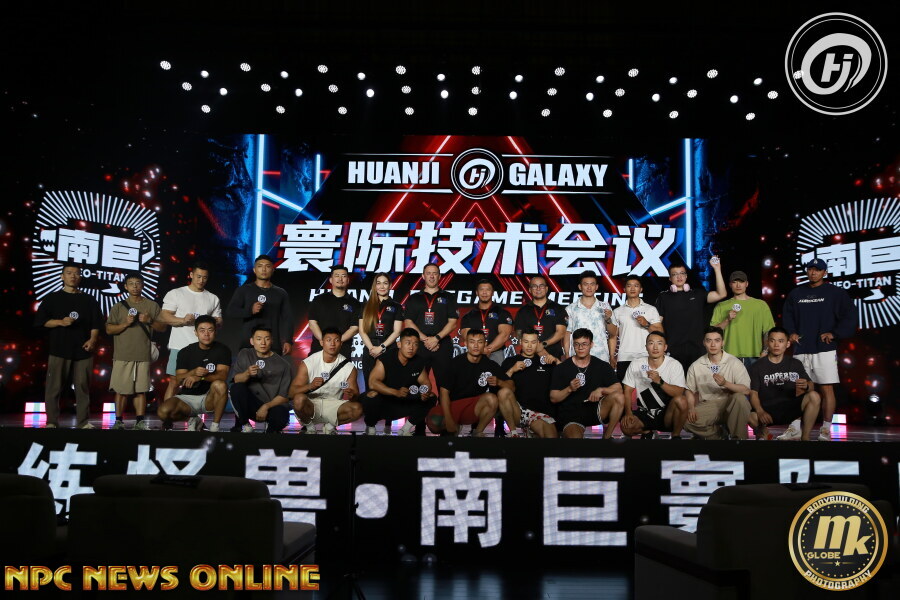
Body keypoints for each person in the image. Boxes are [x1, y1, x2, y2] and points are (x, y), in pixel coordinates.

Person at [783, 258, 857, 441]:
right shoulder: (796, 293)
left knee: (826, 388)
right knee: (798, 388)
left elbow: (850, 316)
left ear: (825, 272)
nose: (813, 272)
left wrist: (835, 333)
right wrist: (791, 332)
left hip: (824, 349)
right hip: (801, 348)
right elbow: (787, 316)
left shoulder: (835, 293)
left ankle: (825, 429)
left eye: (817, 270)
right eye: (810, 269)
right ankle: (795, 428)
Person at [34, 264, 103, 429]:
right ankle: (52, 421)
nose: (73, 276)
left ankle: (83, 422)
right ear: (62, 276)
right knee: (54, 387)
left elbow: (96, 323)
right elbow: (41, 322)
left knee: (82, 387)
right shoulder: (52, 298)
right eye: (69, 273)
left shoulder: (89, 299)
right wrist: (60, 322)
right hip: (59, 349)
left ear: (80, 277)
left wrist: (92, 340)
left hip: (83, 350)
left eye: (76, 273)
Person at [105, 272, 166, 430]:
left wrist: (149, 320)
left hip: (142, 354)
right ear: (125, 286)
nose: (135, 286)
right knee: (121, 390)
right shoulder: (118, 307)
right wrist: (125, 324)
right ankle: (118, 421)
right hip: (122, 354)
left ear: (143, 285)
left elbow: (162, 327)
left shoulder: (151, 305)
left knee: (141, 390)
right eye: (131, 283)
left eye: (138, 283)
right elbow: (109, 329)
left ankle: (140, 422)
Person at [159, 261, 223, 402]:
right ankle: (166, 414)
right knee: (175, 381)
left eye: (204, 277)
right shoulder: (176, 293)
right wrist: (183, 320)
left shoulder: (212, 298)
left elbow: (219, 321)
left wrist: (209, 320)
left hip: (201, 348)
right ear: (191, 275)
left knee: (199, 383)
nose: (201, 280)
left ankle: (193, 415)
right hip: (179, 346)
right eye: (198, 276)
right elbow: (164, 316)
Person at [426, 329, 507, 437]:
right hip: (453, 406)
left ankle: (477, 432)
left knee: (492, 399)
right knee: (434, 422)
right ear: (466, 344)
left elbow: (510, 385)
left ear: (485, 344)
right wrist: (449, 420)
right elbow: (443, 393)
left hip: (473, 407)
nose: (476, 346)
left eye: (480, 342)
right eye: (472, 342)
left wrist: (500, 382)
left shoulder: (490, 365)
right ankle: (454, 426)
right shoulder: (454, 364)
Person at [156, 316, 231, 432]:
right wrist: (193, 372)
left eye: (210, 330)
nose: (206, 334)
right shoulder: (185, 352)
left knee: (220, 385)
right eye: (202, 330)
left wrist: (201, 377)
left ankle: (215, 426)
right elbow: (179, 379)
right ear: (196, 332)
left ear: (215, 332)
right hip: (187, 398)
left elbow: (223, 376)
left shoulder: (223, 350)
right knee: (163, 412)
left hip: (209, 398)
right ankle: (194, 419)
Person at [655, 257, 727, 375]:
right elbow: (658, 324)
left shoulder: (698, 294)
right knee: (676, 383)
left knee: (698, 383)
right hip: (673, 349)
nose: (679, 277)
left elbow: (721, 294)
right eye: (675, 274)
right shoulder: (663, 297)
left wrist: (717, 269)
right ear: (670, 278)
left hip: (697, 349)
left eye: (682, 273)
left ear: (686, 276)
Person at [550, 328, 625, 439]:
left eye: (584, 344)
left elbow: (618, 389)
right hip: (571, 413)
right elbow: (553, 398)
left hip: (594, 410)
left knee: (619, 397)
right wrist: (569, 389)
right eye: (577, 344)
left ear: (591, 345)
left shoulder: (602, 365)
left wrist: (602, 390)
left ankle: (607, 437)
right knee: (576, 440)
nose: (580, 348)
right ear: (573, 345)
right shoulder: (562, 368)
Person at [748, 327, 822, 441]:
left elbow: (811, 385)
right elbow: (753, 393)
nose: (776, 345)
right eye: (772, 341)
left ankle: (805, 438)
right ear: (767, 343)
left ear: (787, 344)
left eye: (781, 341)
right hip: (767, 412)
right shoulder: (757, 366)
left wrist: (807, 386)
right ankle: (763, 433)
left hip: (790, 409)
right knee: (747, 414)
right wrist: (760, 411)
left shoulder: (795, 364)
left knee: (814, 396)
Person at [362, 328, 435, 436]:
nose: (411, 347)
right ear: (399, 344)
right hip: (385, 402)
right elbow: (373, 383)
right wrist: (395, 392)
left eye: (415, 344)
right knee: (371, 395)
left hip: (403, 402)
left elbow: (425, 382)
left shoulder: (419, 361)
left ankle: (405, 429)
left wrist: (426, 391)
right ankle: (370, 427)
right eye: (408, 343)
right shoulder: (385, 358)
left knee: (431, 397)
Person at [290, 327, 362, 434]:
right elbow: (291, 393)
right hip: (311, 405)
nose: (332, 344)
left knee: (357, 409)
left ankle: (330, 426)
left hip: (334, 405)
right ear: (321, 342)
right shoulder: (308, 363)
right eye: (328, 340)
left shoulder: (349, 367)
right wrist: (310, 386)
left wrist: (352, 395)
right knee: (298, 399)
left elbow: (355, 396)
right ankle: (309, 427)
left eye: (336, 340)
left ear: (341, 343)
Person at [684, 326, 751, 440]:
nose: (713, 344)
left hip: (731, 403)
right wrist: (691, 408)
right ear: (704, 343)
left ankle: (739, 441)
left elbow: (746, 390)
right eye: (709, 340)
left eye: (717, 340)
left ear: (722, 343)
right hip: (709, 405)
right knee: (685, 421)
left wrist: (725, 383)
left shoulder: (734, 362)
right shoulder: (696, 365)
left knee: (739, 398)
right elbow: (689, 390)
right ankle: (719, 435)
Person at [619, 331, 688, 439]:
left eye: (659, 343)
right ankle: (647, 432)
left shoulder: (674, 365)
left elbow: (679, 393)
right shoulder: (636, 364)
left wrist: (660, 382)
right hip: (645, 413)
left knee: (682, 400)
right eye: (651, 343)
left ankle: (675, 436)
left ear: (665, 347)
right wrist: (628, 413)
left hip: (667, 414)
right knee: (626, 427)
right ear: (646, 347)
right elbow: (627, 390)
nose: (655, 347)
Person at [403, 263, 459, 391]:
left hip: (442, 344)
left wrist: (436, 338)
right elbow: (408, 322)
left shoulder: (449, 297)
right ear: (423, 276)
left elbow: (453, 322)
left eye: (434, 273)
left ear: (439, 276)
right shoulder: (414, 298)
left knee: (445, 385)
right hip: (419, 345)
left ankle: (443, 405)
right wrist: (426, 340)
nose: (431, 276)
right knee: (416, 385)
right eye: (428, 273)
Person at [226, 254, 294, 355]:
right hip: (249, 344)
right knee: (248, 365)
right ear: (254, 270)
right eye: (260, 266)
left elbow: (288, 318)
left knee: (274, 366)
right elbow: (231, 311)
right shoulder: (244, 290)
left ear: (273, 270)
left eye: (267, 266)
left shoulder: (281, 293)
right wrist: (250, 311)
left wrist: (288, 340)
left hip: (272, 343)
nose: (264, 269)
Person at [230, 327, 294, 433]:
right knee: (236, 388)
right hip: (250, 404)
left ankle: (270, 433)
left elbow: (284, 396)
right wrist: (247, 373)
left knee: (282, 414)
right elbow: (236, 380)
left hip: (270, 406)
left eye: (267, 339)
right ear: (252, 341)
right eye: (259, 339)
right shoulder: (245, 354)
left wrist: (266, 407)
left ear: (271, 341)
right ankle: (245, 424)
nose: (263, 343)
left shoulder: (283, 365)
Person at [497, 329, 558, 438]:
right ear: (521, 342)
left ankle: (530, 432)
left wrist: (556, 361)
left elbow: (566, 376)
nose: (529, 346)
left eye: (533, 342)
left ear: (538, 343)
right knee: (503, 392)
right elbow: (498, 385)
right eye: (526, 342)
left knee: (550, 437)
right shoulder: (510, 361)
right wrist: (512, 370)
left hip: (541, 412)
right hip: (519, 411)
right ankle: (513, 433)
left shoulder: (546, 362)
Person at [710, 270, 775, 369]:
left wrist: (765, 352)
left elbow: (769, 331)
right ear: (730, 284)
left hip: (755, 356)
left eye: (741, 281)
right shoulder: (721, 306)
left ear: (746, 284)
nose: (738, 285)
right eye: (734, 282)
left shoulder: (760, 305)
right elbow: (712, 332)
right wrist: (727, 320)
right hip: (728, 356)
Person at [610, 275, 662, 381]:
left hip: (645, 355)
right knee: (625, 388)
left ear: (641, 289)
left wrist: (647, 324)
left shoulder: (651, 309)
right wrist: (611, 356)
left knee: (646, 388)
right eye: (629, 286)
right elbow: (613, 336)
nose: (632, 288)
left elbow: (660, 332)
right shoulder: (617, 311)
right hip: (624, 356)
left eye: (636, 286)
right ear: (624, 289)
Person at [358, 272, 404, 387]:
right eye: (378, 283)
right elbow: (362, 331)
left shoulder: (397, 306)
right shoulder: (365, 305)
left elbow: (397, 331)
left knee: (389, 386)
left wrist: (381, 347)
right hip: (370, 350)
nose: (382, 286)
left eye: (385, 283)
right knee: (370, 387)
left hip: (389, 349)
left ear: (390, 285)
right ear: (375, 286)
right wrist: (371, 348)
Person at [308, 264, 361, 359]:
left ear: (348, 280)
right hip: (319, 349)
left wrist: (337, 342)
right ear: (331, 280)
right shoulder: (318, 300)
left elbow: (355, 328)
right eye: (337, 275)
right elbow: (312, 323)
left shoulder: (355, 303)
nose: (340, 279)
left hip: (343, 351)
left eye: (343, 276)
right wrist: (324, 341)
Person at [564, 271, 617, 364]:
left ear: (596, 287)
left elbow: (613, 333)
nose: (589, 287)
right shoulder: (570, 309)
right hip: (578, 357)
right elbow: (567, 334)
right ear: (580, 286)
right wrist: (567, 355)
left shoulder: (605, 307)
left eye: (592, 284)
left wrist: (608, 319)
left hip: (601, 357)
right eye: (585, 284)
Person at [459, 279, 514, 365]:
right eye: (481, 289)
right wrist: (479, 349)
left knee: (496, 374)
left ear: (493, 293)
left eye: (488, 289)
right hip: (474, 354)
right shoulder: (468, 316)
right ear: (477, 293)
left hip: (496, 353)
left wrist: (488, 349)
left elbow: (504, 334)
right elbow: (466, 335)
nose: (484, 292)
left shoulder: (503, 313)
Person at [513, 275, 568, 360]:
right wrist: (535, 347)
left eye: (541, 286)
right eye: (534, 286)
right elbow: (519, 333)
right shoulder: (523, 311)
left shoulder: (558, 308)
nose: (538, 289)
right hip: (529, 357)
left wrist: (543, 344)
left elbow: (561, 332)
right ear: (530, 290)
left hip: (552, 355)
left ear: (546, 288)